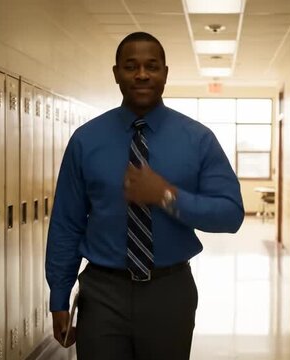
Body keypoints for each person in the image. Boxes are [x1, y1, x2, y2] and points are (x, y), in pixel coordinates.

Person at [45, 31, 245, 359]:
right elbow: (67, 224)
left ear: (165, 72)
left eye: (151, 66)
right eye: (131, 66)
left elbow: (230, 214)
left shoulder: (197, 140)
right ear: (116, 73)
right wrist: (59, 296)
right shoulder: (86, 141)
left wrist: (166, 195)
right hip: (102, 292)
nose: (141, 74)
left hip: (169, 291)